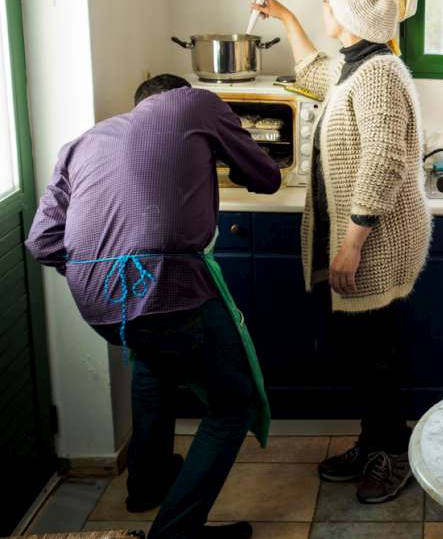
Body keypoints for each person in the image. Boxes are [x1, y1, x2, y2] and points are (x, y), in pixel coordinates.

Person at [26, 75, 281, 539]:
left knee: (153, 368)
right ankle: (176, 533)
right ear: (176, 96)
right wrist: (229, 160)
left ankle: (147, 484)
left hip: (97, 302)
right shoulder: (194, 103)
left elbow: (43, 243)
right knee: (233, 402)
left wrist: (108, 275)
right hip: (170, 292)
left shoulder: (80, 142)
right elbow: (267, 177)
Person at [251, 0, 431, 504]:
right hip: (355, 236)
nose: (322, 8)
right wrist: (284, 17)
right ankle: (373, 440)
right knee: (359, 349)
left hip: (375, 240)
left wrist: (352, 244)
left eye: (326, 2)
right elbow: (312, 69)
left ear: (348, 14)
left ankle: (392, 453)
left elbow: (384, 158)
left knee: (376, 353)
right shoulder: (356, 66)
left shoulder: (378, 74)